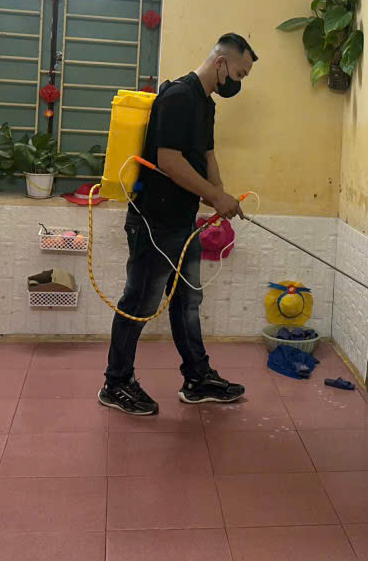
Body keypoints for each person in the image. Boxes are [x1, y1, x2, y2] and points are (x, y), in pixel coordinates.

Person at [99, 33, 257, 416]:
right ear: (221, 62)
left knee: (188, 302)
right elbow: (169, 161)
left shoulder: (206, 104)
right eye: (239, 73)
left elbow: (207, 155)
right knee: (139, 302)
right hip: (154, 222)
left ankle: (197, 378)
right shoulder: (178, 97)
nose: (238, 82)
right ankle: (115, 383)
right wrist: (215, 196)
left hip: (183, 223)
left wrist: (220, 195)